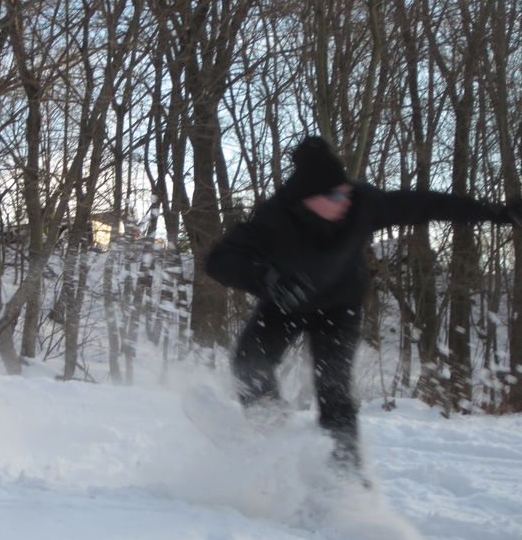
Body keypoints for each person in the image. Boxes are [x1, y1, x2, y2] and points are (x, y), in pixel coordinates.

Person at [205, 135, 521, 473]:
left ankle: (344, 476)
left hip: (339, 307)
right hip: (286, 302)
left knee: (333, 389)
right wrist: (266, 279)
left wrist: (496, 213)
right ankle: (271, 436)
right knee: (248, 363)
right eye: (333, 195)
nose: (343, 199)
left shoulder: (362, 204)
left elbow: (424, 204)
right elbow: (220, 259)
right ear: (307, 198)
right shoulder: (274, 216)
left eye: (345, 190)